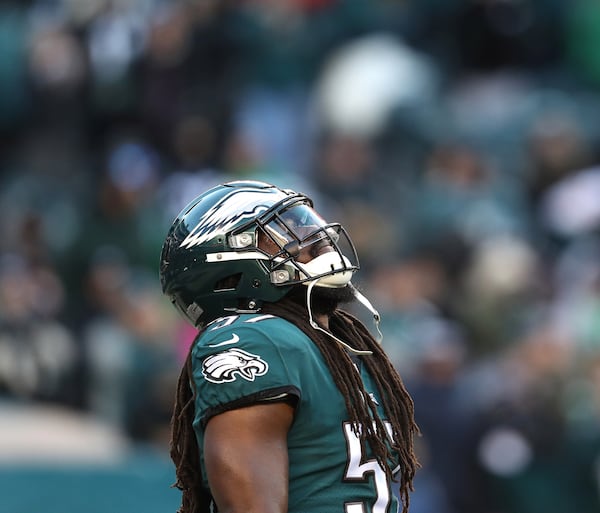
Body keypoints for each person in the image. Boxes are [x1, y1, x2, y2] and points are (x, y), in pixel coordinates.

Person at [159, 180, 419, 513]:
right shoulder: (252, 338)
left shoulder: (341, 347)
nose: (319, 239)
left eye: (307, 223)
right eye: (285, 231)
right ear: (230, 260)